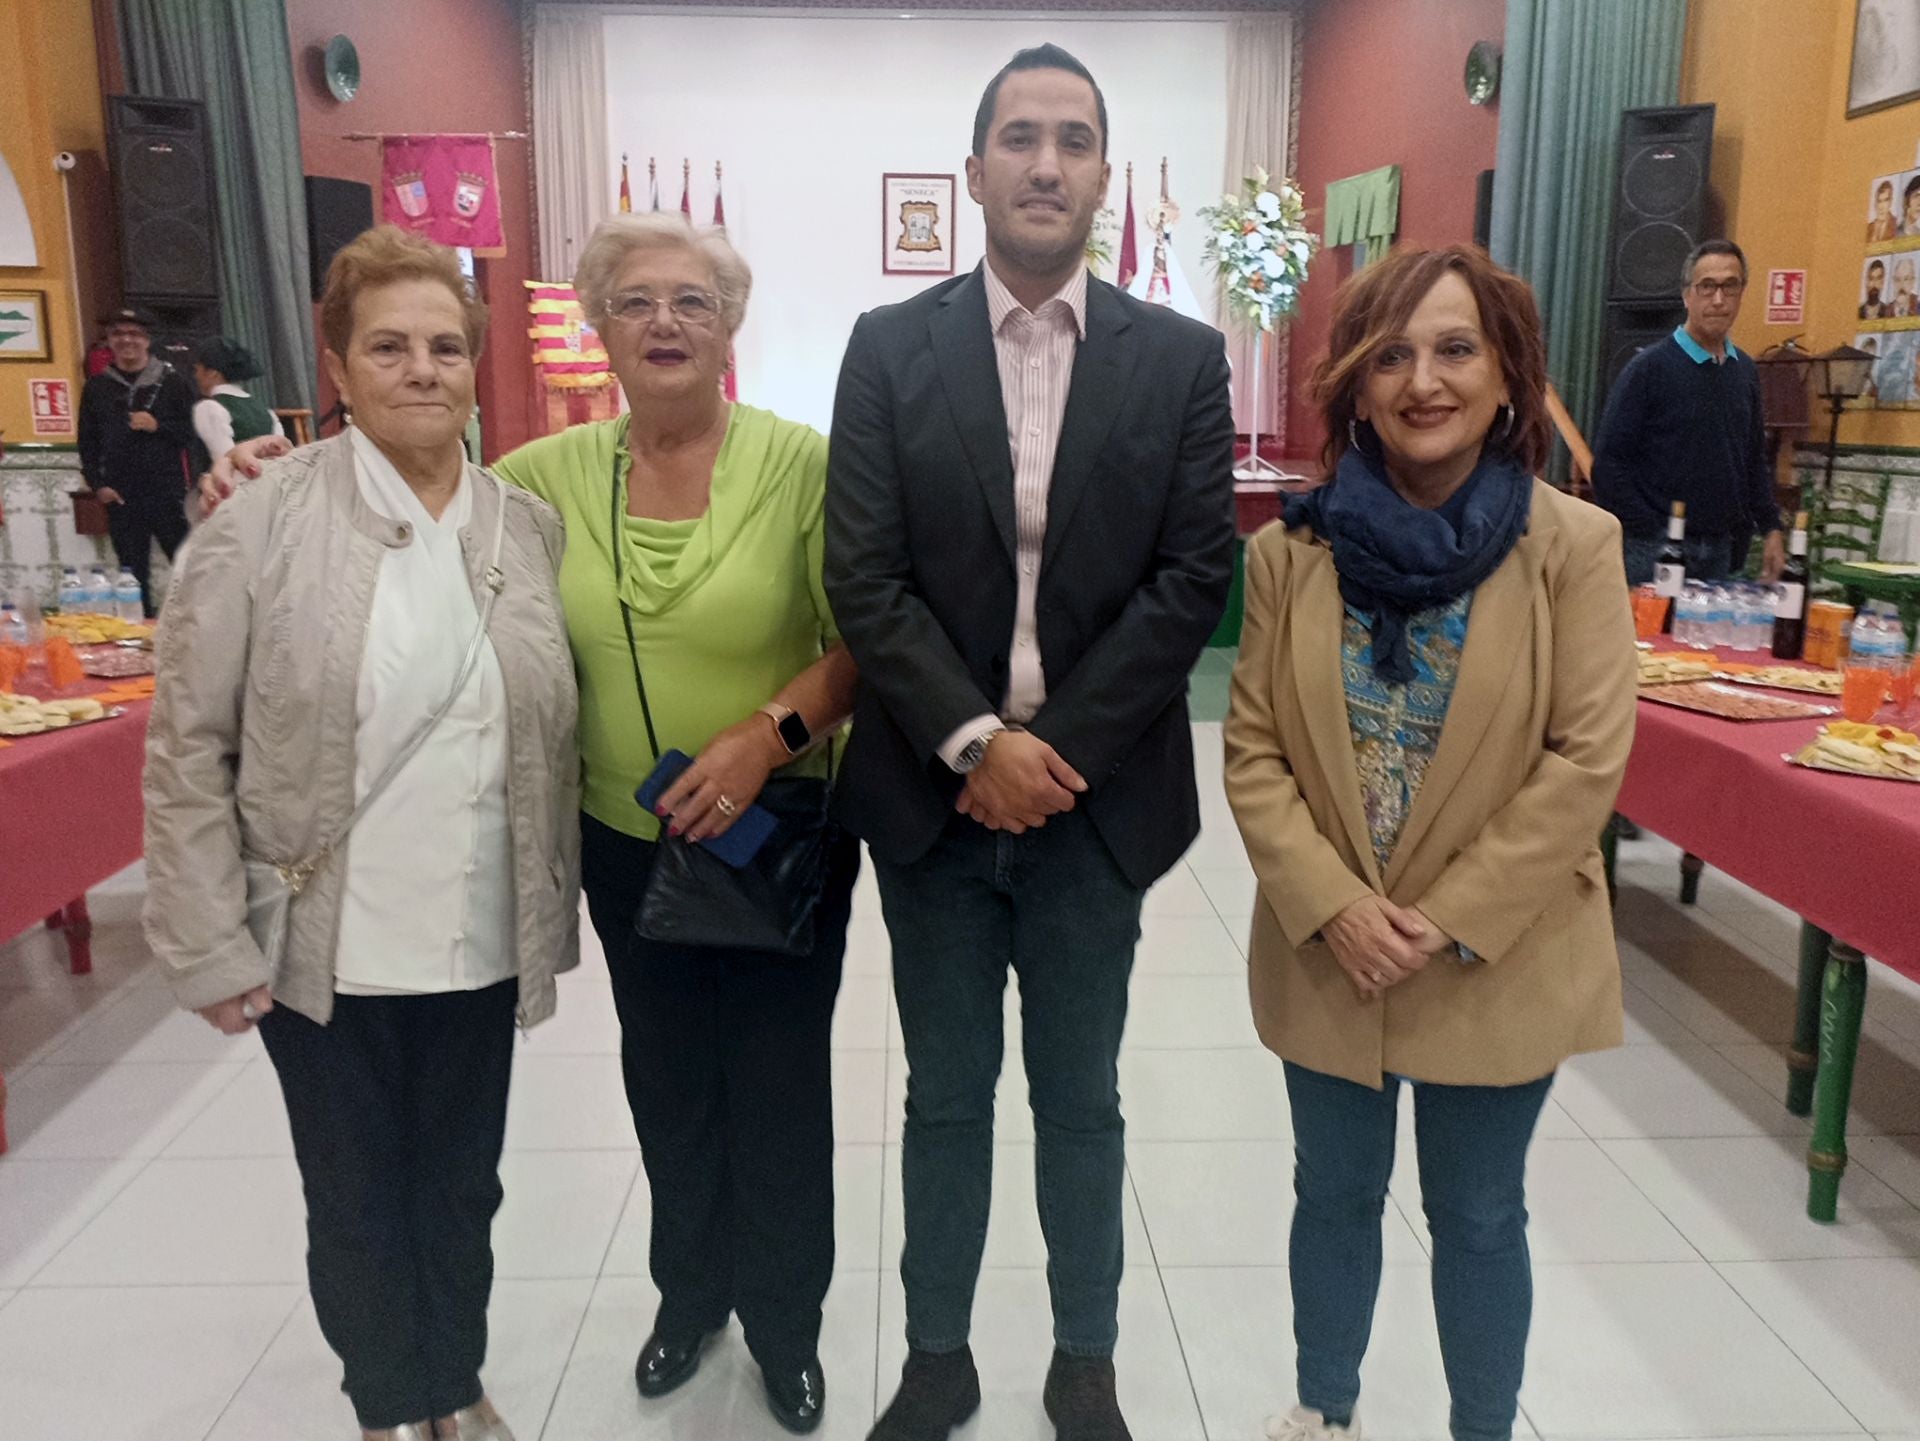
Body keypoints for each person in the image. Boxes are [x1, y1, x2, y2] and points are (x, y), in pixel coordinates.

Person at [211, 212, 859, 1437]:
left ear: (729, 327)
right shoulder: (539, 481)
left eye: (692, 301)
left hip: (775, 832)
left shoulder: (803, 465)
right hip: (618, 839)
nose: (664, 321)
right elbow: (400, 506)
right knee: (666, 1086)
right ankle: (690, 1300)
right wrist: (263, 472)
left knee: (778, 1091)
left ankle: (787, 1327)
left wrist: (764, 734)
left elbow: (862, 640)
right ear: (597, 328)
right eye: (635, 302)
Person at [825, 44, 1235, 1441]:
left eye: (1072, 139)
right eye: (1019, 136)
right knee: (943, 1097)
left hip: (1096, 808)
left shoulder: (1180, 360)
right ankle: (936, 1357)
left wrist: (1045, 751)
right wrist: (969, 742)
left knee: (1081, 1098)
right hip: (933, 811)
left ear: (1104, 172)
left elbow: (1193, 581)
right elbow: (862, 576)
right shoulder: (890, 349)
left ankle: (1087, 1361)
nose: (1045, 163)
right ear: (978, 165)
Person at [145, 227, 580, 1441]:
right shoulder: (259, 522)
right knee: (353, 1195)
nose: (423, 369)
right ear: (337, 365)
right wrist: (207, 940)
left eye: (445, 346)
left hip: (480, 931)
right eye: (388, 345)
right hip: (323, 940)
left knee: (462, 1186)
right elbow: (187, 746)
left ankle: (455, 1376)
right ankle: (390, 1398)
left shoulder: (521, 526)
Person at [1223, 245, 1635, 1441]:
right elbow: (1253, 751)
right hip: (1327, 948)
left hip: (1496, 954)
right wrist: (1335, 905)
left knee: (1480, 1215)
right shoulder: (1288, 556)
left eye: (1456, 349)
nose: (1424, 380)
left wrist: (1445, 917)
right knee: (1334, 1196)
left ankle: (1483, 1426)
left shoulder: (1572, 547)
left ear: (1509, 377)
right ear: (1355, 384)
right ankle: (1327, 1408)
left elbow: (1586, 761)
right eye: (1392, 354)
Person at [1592, 240, 1783, 586]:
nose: (1718, 299)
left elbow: (1753, 460)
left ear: (1742, 293)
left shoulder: (1745, 372)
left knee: (1707, 642)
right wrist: (1651, 531)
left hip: (1720, 554)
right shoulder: (1648, 368)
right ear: (1687, 295)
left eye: (1730, 286)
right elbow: (1608, 464)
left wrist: (1771, 528)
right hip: (1651, 552)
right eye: (1707, 286)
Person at [76, 307, 198, 613]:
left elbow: (191, 432)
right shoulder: (97, 386)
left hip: (167, 491)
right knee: (132, 573)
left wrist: (159, 426)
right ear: (108, 340)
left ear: (147, 340)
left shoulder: (172, 382)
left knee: (188, 565)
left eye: (134, 334)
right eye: (118, 333)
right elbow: (87, 441)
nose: (126, 340)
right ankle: (140, 634)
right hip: (121, 495)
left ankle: (197, 629)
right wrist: (98, 484)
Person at [191, 336, 284, 462]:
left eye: (197, 369)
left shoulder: (209, 408)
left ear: (213, 372)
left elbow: (226, 460)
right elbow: (281, 456)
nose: (195, 376)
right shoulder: (266, 412)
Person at [1869, 178, 1899, 243]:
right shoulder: (1869, 228)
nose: (1881, 207)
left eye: (1885, 200)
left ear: (1890, 202)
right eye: (1879, 201)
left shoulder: (1896, 224)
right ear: (1875, 204)